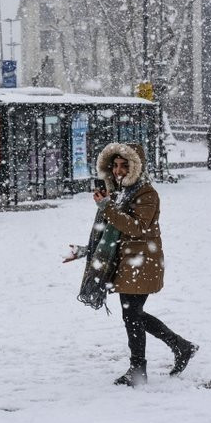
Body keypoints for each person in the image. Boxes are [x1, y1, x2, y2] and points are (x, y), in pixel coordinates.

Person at [64, 143, 197, 387]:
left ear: (136, 167)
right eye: (114, 166)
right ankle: (180, 346)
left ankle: (140, 368)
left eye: (125, 166)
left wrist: (107, 207)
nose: (118, 171)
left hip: (142, 261)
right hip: (125, 262)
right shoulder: (118, 193)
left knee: (132, 314)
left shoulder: (146, 194)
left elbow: (137, 228)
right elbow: (109, 233)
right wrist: (86, 251)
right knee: (133, 314)